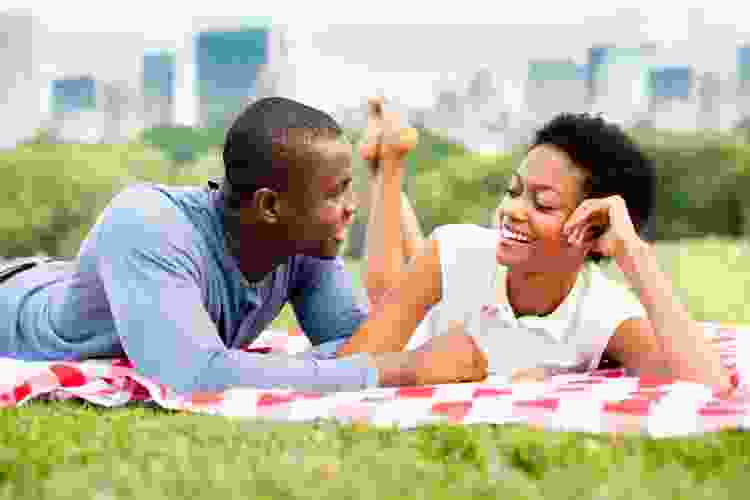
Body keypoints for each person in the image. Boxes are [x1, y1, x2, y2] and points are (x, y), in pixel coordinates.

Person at [0, 96, 487, 394]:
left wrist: (351, 365)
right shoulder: (148, 224)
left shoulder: (302, 245)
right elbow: (195, 376)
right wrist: (404, 369)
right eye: (336, 191)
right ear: (271, 205)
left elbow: (355, 349)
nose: (350, 206)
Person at [340, 99, 731, 392]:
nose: (512, 210)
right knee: (386, 291)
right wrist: (423, 366)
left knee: (418, 265)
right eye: (513, 191)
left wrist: (634, 253)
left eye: (542, 203)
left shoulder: (600, 313)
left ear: (592, 230)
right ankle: (389, 166)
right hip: (421, 324)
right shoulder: (456, 249)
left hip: (454, 285)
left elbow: (708, 384)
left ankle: (386, 161)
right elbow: (350, 364)